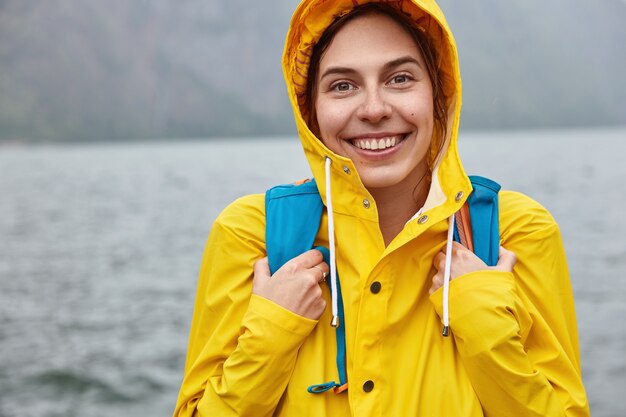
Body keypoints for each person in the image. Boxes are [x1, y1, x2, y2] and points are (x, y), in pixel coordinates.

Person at [173, 1, 590, 416]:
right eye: (342, 85)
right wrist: (269, 336)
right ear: (310, 111)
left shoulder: (514, 233)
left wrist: (487, 327)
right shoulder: (252, 236)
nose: (374, 109)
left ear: (438, 94)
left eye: (400, 78)